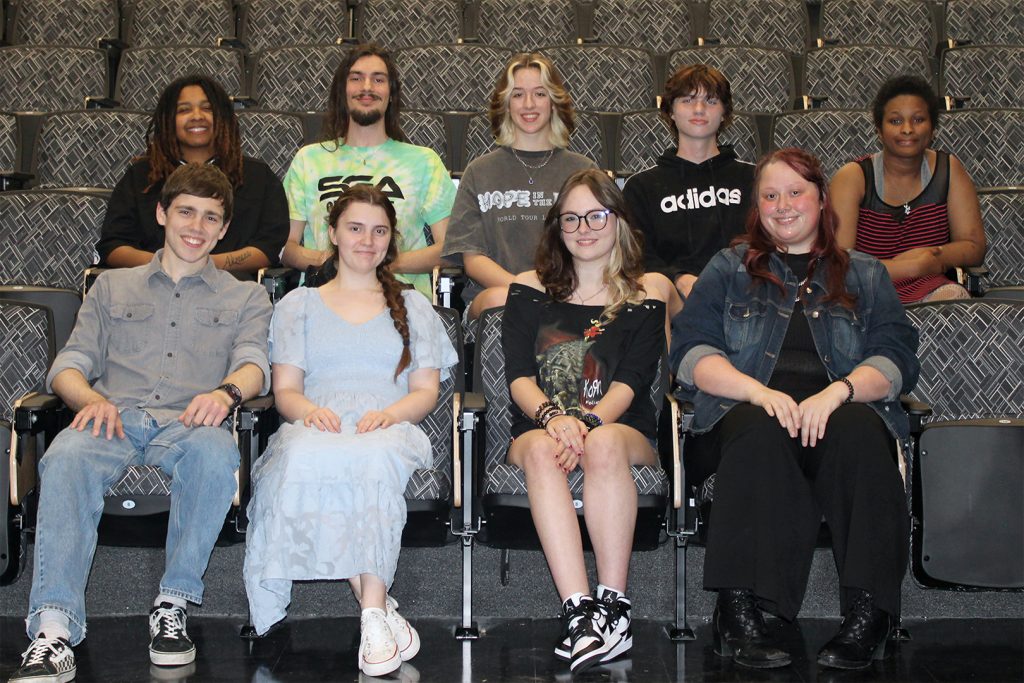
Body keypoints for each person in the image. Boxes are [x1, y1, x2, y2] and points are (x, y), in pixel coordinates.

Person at [11, 164, 273, 683]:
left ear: (224, 230)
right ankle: (53, 630)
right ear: (161, 214)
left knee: (215, 452)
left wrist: (226, 393)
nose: (196, 226)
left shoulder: (246, 296)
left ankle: (172, 606)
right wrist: (89, 400)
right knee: (63, 456)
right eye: (186, 212)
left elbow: (255, 365)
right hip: (114, 418)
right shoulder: (110, 288)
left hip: (190, 421)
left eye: (211, 217)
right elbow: (68, 366)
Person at [670, 148, 920, 670]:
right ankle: (739, 611)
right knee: (756, 428)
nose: (782, 205)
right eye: (769, 195)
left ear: (822, 199)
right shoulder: (728, 268)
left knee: (858, 430)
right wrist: (757, 392)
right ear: (756, 207)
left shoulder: (866, 274)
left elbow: (897, 359)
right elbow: (690, 355)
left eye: (795, 192)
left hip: (835, 414)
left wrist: (839, 391)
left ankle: (867, 613)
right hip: (746, 414)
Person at [243, 185, 457, 677]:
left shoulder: (414, 305)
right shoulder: (298, 304)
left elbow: (425, 391)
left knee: (368, 459)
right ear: (333, 234)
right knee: (301, 457)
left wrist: (393, 414)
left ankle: (370, 613)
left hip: (390, 424)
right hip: (318, 421)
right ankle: (381, 613)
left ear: (391, 240)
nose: (368, 240)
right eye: (356, 228)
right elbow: (287, 390)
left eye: (379, 231)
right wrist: (307, 411)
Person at [502, 169, 680, 673]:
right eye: (570, 218)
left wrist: (584, 422)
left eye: (596, 215)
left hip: (622, 427)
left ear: (618, 221)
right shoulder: (528, 289)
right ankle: (579, 612)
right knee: (539, 449)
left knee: (602, 446)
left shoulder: (645, 295)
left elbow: (631, 382)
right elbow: (517, 376)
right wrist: (553, 418)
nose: (583, 228)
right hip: (540, 424)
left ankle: (614, 608)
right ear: (556, 227)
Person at [282, 43, 456, 299]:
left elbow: (451, 249)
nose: (367, 87)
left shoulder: (423, 162)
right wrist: (334, 261)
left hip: (399, 299)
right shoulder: (309, 160)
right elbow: (285, 247)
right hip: (324, 296)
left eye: (378, 79)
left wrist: (384, 261)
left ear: (391, 93)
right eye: (356, 78)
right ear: (343, 91)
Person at [442, 52, 597, 320]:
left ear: (553, 101)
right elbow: (472, 259)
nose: (529, 104)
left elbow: (599, 246)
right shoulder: (479, 172)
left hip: (570, 293)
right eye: (517, 94)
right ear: (506, 104)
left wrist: (560, 292)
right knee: (503, 299)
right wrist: (525, 289)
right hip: (496, 294)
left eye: (539, 93)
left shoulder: (583, 171)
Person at [98, 74, 289, 280]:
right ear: (168, 120)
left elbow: (268, 249)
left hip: (230, 290)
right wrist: (167, 265)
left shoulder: (258, 177)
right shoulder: (142, 176)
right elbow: (114, 247)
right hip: (150, 286)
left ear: (223, 117)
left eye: (207, 108)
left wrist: (202, 264)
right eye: (184, 110)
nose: (197, 116)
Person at [830, 74, 986, 304]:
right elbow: (840, 261)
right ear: (879, 130)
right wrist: (916, 266)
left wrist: (937, 257)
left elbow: (974, 247)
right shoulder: (853, 177)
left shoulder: (948, 169)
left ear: (932, 129)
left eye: (918, 119)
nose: (907, 129)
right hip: (868, 288)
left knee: (954, 298)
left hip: (929, 286)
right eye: (895, 121)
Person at [623, 64, 754, 300]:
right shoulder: (642, 187)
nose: (699, 109)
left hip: (743, 295)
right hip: (674, 298)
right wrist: (679, 278)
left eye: (711, 101)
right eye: (687, 100)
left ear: (724, 112)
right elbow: (639, 254)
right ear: (671, 111)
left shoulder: (754, 179)